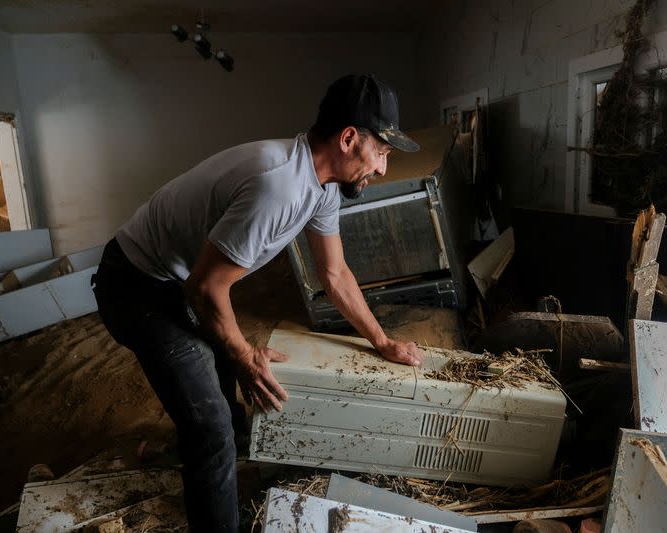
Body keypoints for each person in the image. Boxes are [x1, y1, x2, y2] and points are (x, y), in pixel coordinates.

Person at [92, 74, 425, 532]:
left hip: (180, 277)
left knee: (225, 371)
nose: (384, 168)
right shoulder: (279, 187)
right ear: (349, 139)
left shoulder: (324, 185)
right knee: (211, 421)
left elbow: (335, 275)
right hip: (134, 284)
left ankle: (218, 454)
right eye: (383, 152)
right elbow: (207, 289)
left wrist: (382, 341)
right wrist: (244, 354)